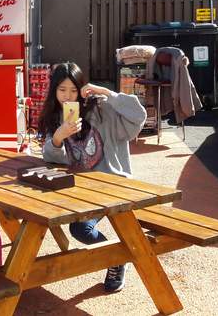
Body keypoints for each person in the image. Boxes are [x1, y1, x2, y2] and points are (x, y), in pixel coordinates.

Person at [39, 62, 147, 293]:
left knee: (80, 230)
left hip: (112, 183)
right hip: (81, 187)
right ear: (54, 92)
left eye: (73, 90)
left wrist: (107, 92)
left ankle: (115, 260)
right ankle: (116, 256)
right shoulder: (57, 117)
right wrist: (58, 138)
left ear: (81, 89)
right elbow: (52, 159)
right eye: (62, 90)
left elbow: (139, 116)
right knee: (43, 212)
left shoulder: (101, 109)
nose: (68, 96)